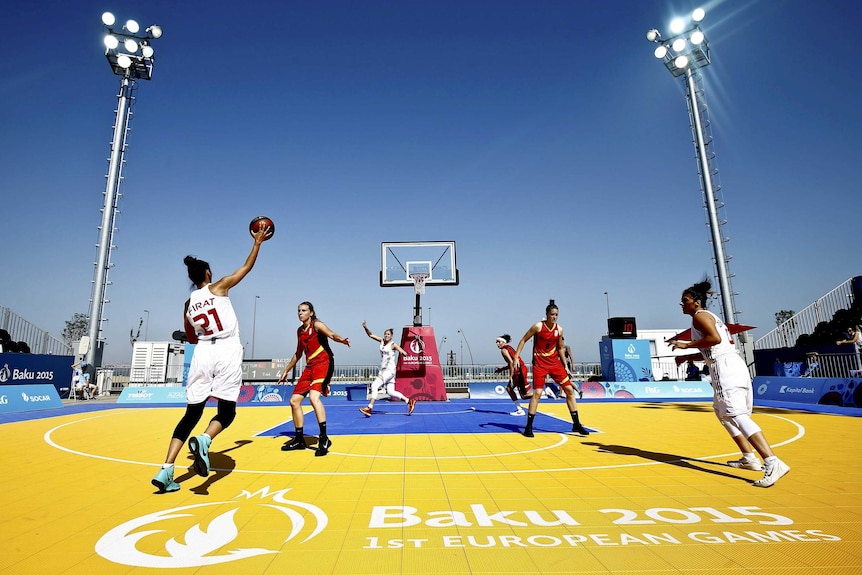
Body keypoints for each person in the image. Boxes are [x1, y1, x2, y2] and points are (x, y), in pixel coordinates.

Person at [151, 225, 269, 494]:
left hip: (202, 352)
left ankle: (166, 469)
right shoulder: (219, 287)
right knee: (226, 412)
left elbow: (191, 338)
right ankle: (205, 439)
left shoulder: (188, 303)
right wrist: (258, 243)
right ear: (208, 273)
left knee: (191, 413)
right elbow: (245, 268)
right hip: (226, 349)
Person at [669, 279, 790, 488]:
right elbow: (713, 348)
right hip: (730, 364)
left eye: (685, 300)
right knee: (722, 412)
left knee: (736, 414)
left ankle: (772, 461)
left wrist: (686, 345)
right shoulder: (706, 317)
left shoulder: (700, 316)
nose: (681, 303)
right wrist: (688, 357)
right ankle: (748, 458)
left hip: (725, 368)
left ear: (697, 302)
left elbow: (714, 339)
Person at [278, 302, 350, 456]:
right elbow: (298, 354)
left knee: (313, 397)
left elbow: (331, 334)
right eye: (298, 311)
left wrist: (341, 340)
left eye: (303, 310)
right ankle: (299, 439)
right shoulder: (300, 331)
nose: (300, 313)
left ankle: (323, 438)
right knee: (294, 401)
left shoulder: (317, 325)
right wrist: (286, 370)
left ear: (311, 313)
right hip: (310, 367)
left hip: (324, 363)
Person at [513, 300, 590, 437]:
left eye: (556, 315)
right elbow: (523, 340)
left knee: (569, 390)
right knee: (537, 394)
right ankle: (528, 427)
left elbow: (560, 348)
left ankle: (576, 424)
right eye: (552, 314)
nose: (554, 317)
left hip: (554, 363)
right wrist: (516, 358)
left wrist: (565, 366)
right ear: (547, 314)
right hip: (540, 364)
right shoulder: (538, 326)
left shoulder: (559, 330)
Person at [359, 321, 416, 416]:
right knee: (391, 392)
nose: (386, 336)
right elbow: (371, 335)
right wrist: (365, 327)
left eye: (388, 334)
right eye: (385, 334)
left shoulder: (393, 345)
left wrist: (405, 354)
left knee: (374, 386)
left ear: (391, 336)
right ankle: (409, 401)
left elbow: (403, 351)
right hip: (383, 370)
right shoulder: (381, 341)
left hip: (390, 370)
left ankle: (369, 408)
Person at [494, 334, 532, 416]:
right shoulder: (509, 348)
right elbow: (511, 362)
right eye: (496, 342)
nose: (497, 343)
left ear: (503, 342)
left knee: (524, 396)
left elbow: (511, 363)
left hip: (519, 371)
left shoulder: (504, 350)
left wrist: (511, 376)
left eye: (498, 342)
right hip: (520, 369)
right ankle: (519, 409)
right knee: (509, 388)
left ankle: (543, 392)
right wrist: (502, 369)